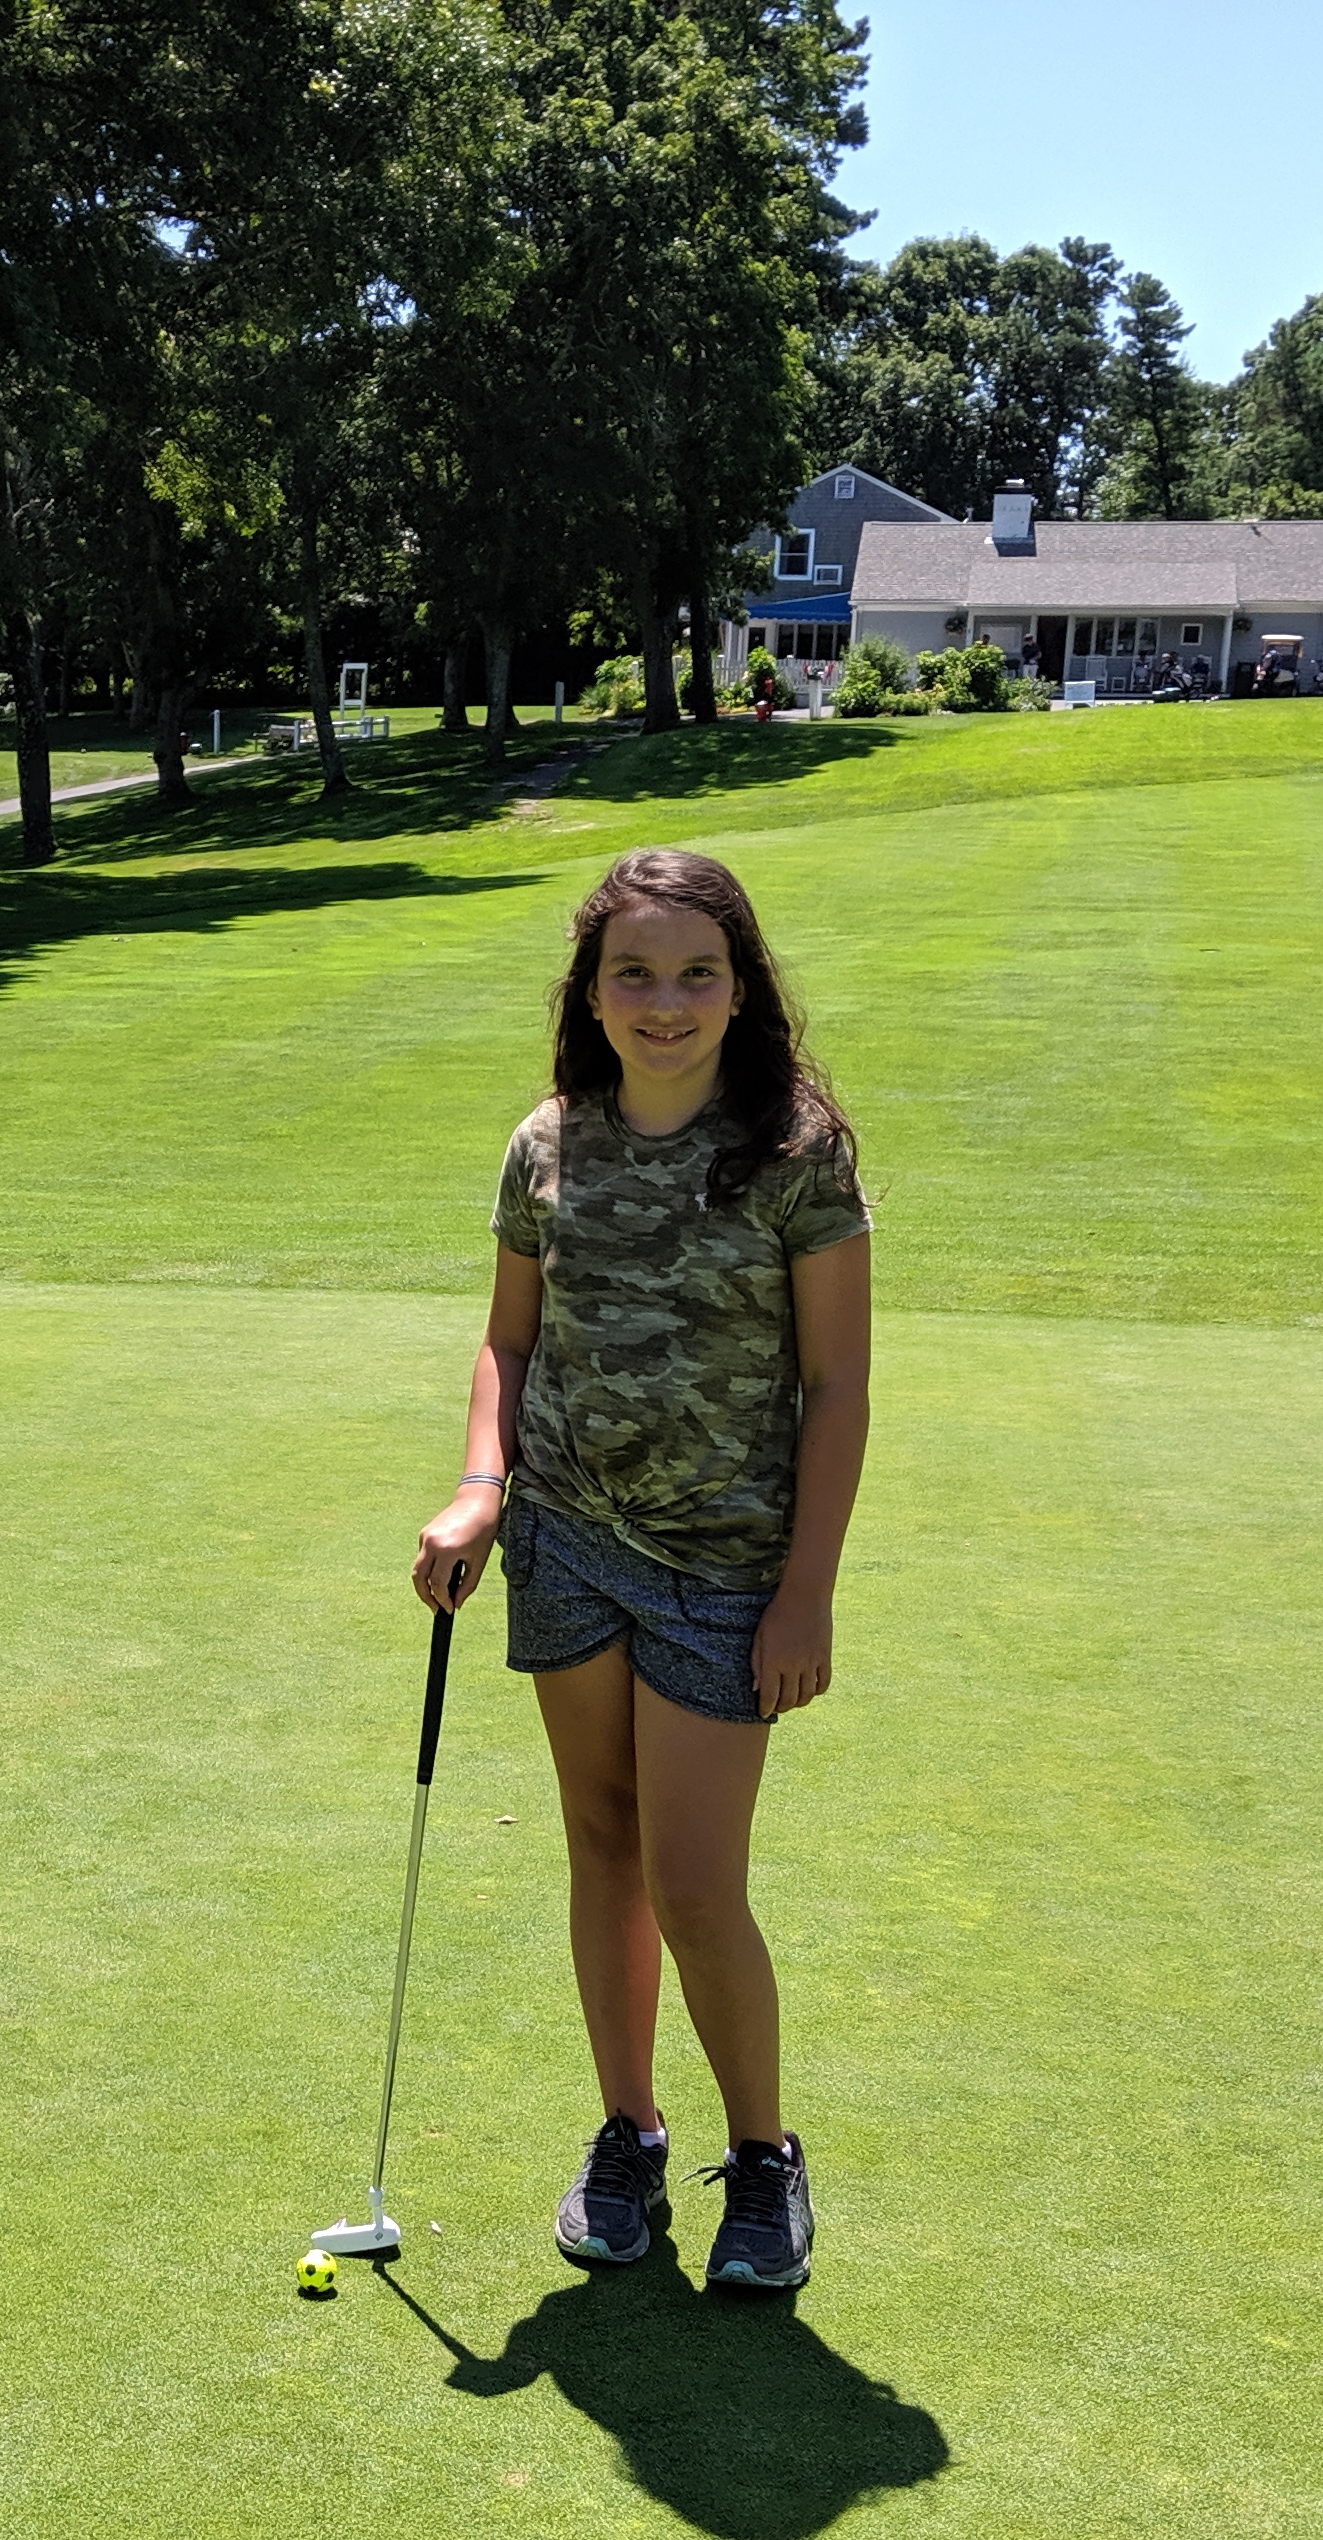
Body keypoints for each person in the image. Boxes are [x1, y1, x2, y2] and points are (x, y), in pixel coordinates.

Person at [411, 846, 871, 2292]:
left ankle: (766, 2159)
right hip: (564, 1542)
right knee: (602, 1849)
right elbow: (508, 1340)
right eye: (635, 973)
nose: (664, 1002)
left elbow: (837, 1387)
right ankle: (629, 2133)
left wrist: (807, 1590)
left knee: (693, 1883)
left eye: (695, 973)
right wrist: (482, 1486)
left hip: (725, 1567)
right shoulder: (549, 1141)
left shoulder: (796, 1151)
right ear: (591, 993)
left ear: (742, 991)